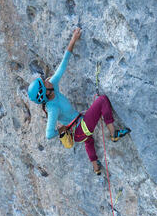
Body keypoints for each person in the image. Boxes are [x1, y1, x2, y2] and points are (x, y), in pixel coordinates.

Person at [27, 27, 131, 175]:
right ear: (45, 92)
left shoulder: (53, 87)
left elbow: (63, 64)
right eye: (44, 83)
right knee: (101, 101)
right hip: (79, 128)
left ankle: (96, 168)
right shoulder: (52, 108)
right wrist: (60, 130)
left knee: (88, 141)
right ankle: (113, 133)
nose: (46, 80)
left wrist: (73, 40)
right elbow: (49, 134)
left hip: (79, 129)